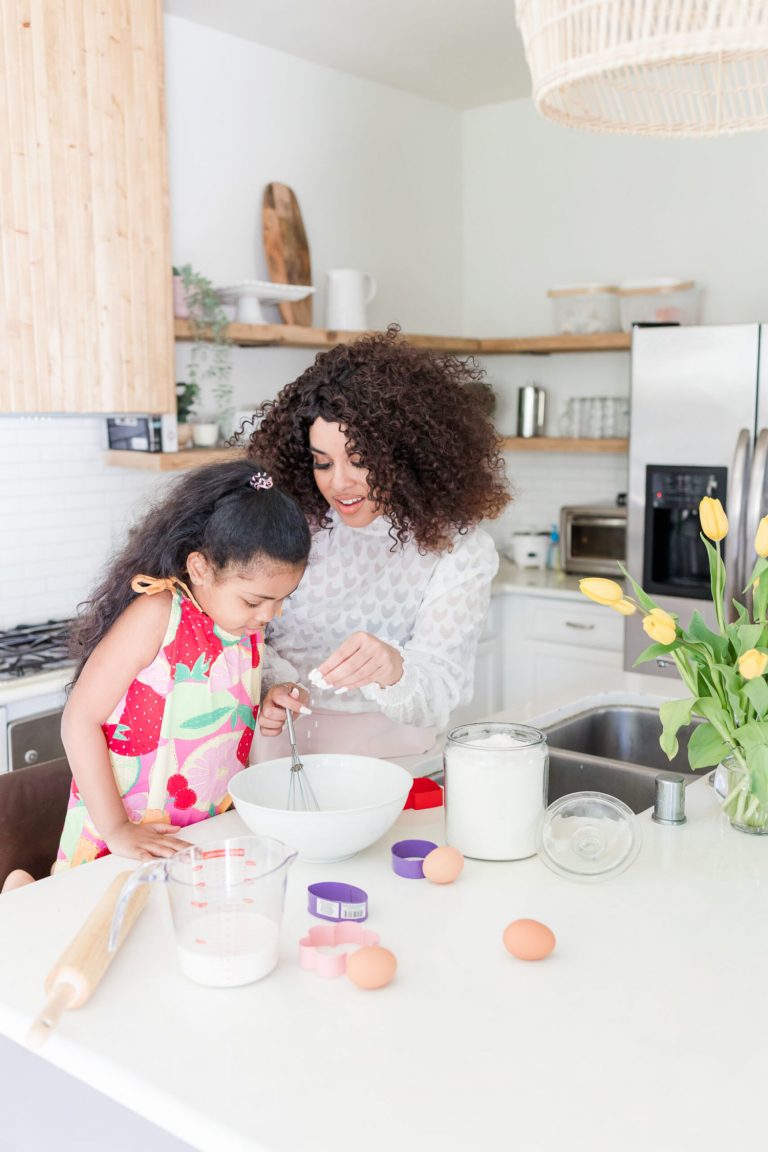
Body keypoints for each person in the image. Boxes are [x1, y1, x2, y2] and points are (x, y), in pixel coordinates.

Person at [1, 460, 310, 892]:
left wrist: (268, 701)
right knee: (94, 921)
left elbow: (215, 709)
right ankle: (21, 890)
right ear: (200, 568)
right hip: (129, 829)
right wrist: (116, 829)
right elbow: (79, 720)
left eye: (281, 601)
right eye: (255, 601)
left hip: (197, 830)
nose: (268, 616)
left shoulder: (241, 627)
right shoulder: (158, 614)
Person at [250, 327, 511, 760]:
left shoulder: (458, 549)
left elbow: (442, 685)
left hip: (396, 757)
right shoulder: (289, 520)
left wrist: (393, 668)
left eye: (360, 461)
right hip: (282, 743)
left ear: (405, 455)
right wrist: (273, 684)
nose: (338, 483)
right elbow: (241, 633)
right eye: (322, 462)